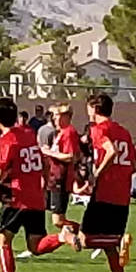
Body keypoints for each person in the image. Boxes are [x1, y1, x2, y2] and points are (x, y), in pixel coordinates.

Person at [0, 98, 75, 272]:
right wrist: (45, 180)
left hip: (16, 197)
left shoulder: (5, 141)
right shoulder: (28, 133)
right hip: (35, 196)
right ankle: (62, 237)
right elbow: (44, 161)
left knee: (3, 240)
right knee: (35, 245)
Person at [78, 93, 136, 272]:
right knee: (110, 247)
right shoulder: (124, 132)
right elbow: (134, 165)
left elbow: (110, 152)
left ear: (94, 108)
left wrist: (96, 175)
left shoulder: (98, 130)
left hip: (105, 192)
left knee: (83, 240)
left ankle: (119, 242)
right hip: (122, 195)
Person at [39, 104, 82, 250]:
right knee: (56, 218)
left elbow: (70, 156)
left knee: (58, 220)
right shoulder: (60, 132)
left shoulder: (69, 132)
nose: (54, 118)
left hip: (61, 179)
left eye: (57, 115)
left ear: (65, 116)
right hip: (53, 178)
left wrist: (49, 152)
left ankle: (88, 233)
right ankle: (83, 234)